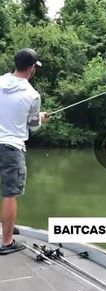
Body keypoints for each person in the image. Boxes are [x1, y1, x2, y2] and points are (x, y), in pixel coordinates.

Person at [0, 48, 47, 255]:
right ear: (32, 68)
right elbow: (32, 125)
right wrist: (42, 119)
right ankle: (7, 241)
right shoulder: (32, 94)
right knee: (10, 194)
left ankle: (6, 228)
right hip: (11, 147)